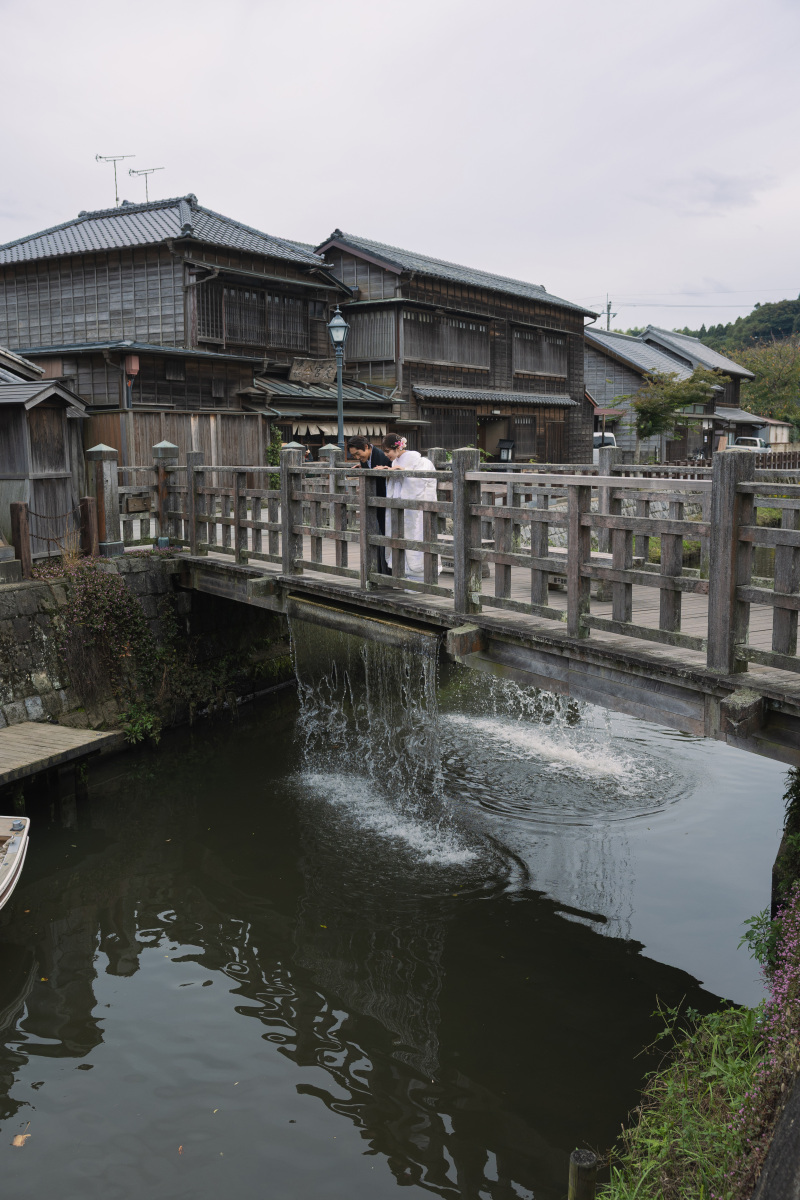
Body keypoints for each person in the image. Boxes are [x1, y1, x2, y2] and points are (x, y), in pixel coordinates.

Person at [379, 434, 439, 584]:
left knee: (417, 534)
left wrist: (404, 471)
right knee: (400, 534)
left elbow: (421, 482)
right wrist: (391, 472)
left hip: (415, 510)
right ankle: (405, 577)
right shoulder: (395, 461)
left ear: (397, 447)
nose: (386, 455)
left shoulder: (418, 460)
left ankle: (420, 578)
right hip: (401, 506)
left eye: (388, 451)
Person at [347, 436, 391, 573]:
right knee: (377, 535)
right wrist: (364, 468)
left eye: (357, 454)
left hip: (386, 501)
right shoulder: (366, 458)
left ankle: (388, 571)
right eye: (354, 455)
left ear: (366, 447)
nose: (357, 457)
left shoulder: (382, 456)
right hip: (375, 503)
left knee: (386, 535)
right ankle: (380, 570)